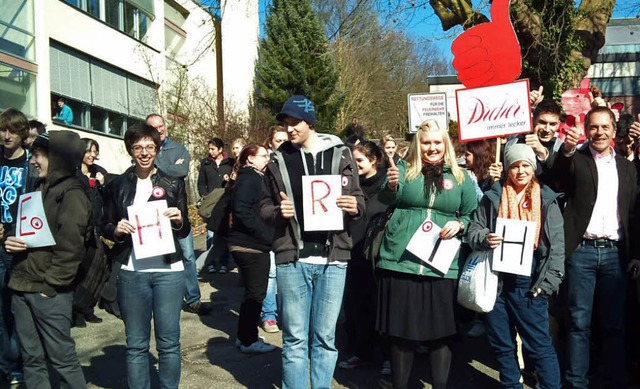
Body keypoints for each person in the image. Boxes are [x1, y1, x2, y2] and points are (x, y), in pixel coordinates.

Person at [260, 95, 365, 389]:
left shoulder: (341, 155)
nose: (289, 129)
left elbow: (360, 200)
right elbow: (264, 208)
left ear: (311, 122)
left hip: (333, 260)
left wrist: (354, 206)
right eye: (285, 123)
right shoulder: (278, 160)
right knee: (294, 338)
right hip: (292, 259)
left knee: (326, 338)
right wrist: (278, 213)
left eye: (295, 122)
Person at [375, 119, 477, 389]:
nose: (432, 148)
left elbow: (470, 213)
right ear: (417, 145)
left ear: (446, 145)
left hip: (440, 263)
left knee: (440, 334)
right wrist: (391, 187)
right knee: (401, 334)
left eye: (437, 142)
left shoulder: (460, 177)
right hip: (400, 261)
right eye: (426, 142)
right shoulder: (403, 170)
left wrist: (460, 224)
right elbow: (384, 201)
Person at [554, 106, 640, 388]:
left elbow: (634, 213)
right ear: (586, 129)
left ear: (614, 132)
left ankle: (613, 378)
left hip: (616, 254)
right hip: (582, 253)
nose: (599, 132)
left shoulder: (627, 167)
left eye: (605, 127)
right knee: (579, 323)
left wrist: (636, 254)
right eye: (594, 127)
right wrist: (566, 150)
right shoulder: (576, 159)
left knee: (614, 324)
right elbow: (558, 177)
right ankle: (577, 381)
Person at [467, 144, 564, 388]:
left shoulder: (547, 199)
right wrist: (485, 237)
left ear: (533, 168)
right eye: (514, 166)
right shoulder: (493, 197)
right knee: (503, 344)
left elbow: (556, 246)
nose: (520, 171)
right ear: (507, 170)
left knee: (539, 345)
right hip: (496, 278)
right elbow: (473, 230)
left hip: (530, 280)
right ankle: (511, 385)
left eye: (525, 166)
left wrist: (548, 283)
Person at [101, 124, 190, 389]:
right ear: (130, 150)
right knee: (137, 345)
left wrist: (178, 220)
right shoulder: (117, 185)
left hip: (168, 272)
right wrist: (116, 229)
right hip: (132, 271)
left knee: (169, 344)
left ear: (157, 149)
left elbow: (184, 229)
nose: (144, 153)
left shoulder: (173, 183)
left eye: (150, 147)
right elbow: (103, 223)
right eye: (138, 147)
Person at [7, 131, 89, 388]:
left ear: (58, 158)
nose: (33, 161)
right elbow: (21, 229)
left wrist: (50, 286)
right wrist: (9, 239)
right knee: (32, 359)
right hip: (22, 286)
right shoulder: (37, 188)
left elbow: (71, 248)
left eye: (38, 155)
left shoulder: (72, 193)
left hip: (48, 291)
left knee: (63, 361)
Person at [338, 141, 390, 372]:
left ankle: (389, 356)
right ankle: (362, 351)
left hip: (381, 256)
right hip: (354, 252)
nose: (354, 165)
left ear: (373, 160)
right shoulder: (347, 185)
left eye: (359, 160)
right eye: (352, 161)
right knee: (357, 305)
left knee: (383, 306)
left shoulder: (389, 185)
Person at [146, 114, 205, 314]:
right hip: (153, 213)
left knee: (188, 254)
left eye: (161, 126)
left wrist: (157, 166)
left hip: (178, 210)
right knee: (161, 256)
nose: (159, 130)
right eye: (154, 127)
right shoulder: (146, 149)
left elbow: (181, 171)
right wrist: (168, 166)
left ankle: (193, 298)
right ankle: (166, 298)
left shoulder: (178, 148)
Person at [227, 144, 277, 353]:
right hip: (251, 246)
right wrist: (266, 235)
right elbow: (241, 210)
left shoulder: (248, 177)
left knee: (251, 294)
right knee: (256, 294)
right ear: (250, 159)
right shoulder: (250, 179)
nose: (267, 159)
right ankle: (249, 340)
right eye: (263, 155)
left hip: (249, 245)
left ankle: (243, 336)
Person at [0, 108, 37, 385]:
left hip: (19, 246)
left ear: (23, 133)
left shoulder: (30, 167)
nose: (6, 135)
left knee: (18, 307)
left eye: (11, 130)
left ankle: (19, 364)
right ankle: (7, 364)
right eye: (2, 130)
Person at [260, 126, 288, 333]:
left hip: (290, 230)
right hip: (270, 226)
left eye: (285, 139)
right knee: (270, 273)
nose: (283, 143)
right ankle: (269, 315)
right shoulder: (265, 167)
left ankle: (285, 313)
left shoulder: (294, 163)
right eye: (278, 140)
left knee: (286, 273)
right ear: (270, 143)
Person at [197, 137, 233, 274]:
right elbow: (201, 182)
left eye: (213, 148)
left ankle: (224, 262)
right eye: (209, 149)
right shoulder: (205, 163)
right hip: (211, 204)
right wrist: (205, 196)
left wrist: (229, 181)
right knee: (210, 234)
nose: (210, 151)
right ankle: (210, 262)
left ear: (220, 149)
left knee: (224, 233)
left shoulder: (230, 163)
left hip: (225, 202)